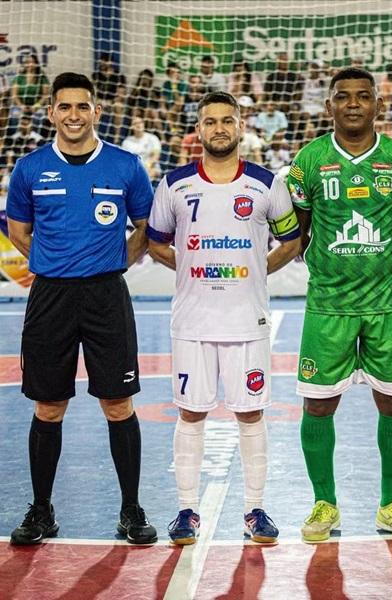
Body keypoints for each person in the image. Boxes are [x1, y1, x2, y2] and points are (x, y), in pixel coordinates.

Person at [6, 72, 156, 545]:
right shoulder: (29, 169)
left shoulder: (125, 166)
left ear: (97, 111)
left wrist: (115, 262)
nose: (74, 115)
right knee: (49, 407)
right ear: (51, 112)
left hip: (106, 295)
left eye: (82, 107)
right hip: (50, 296)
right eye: (64, 107)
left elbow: (145, 227)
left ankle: (131, 510)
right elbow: (19, 230)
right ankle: (41, 510)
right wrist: (53, 263)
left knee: (118, 404)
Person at [147, 91, 301, 546]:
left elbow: (291, 240)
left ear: (240, 127)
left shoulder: (265, 182)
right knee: (191, 413)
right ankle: (186, 511)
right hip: (193, 321)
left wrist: (257, 269)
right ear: (199, 129)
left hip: (247, 321)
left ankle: (255, 510)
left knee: (250, 414)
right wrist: (193, 269)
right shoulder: (174, 184)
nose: (219, 128)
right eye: (210, 121)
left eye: (227, 121)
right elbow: (156, 242)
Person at [288, 67, 392, 543]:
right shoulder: (307, 162)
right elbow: (299, 233)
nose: (353, 104)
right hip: (328, 306)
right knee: (317, 405)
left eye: (363, 96)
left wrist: (387, 271)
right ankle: (323, 504)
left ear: (377, 105)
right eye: (343, 97)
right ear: (328, 105)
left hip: (389, 308)